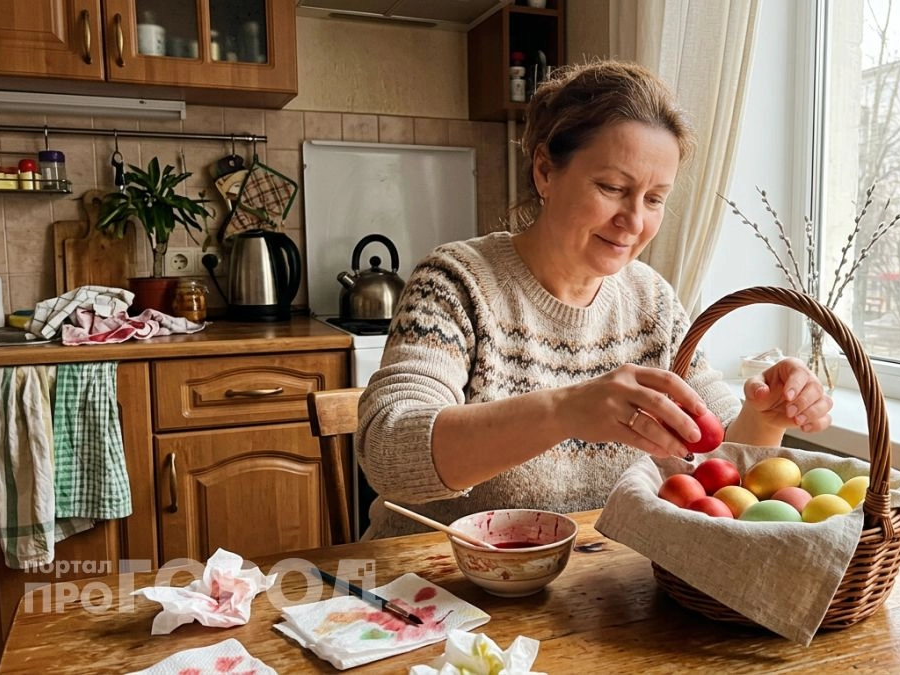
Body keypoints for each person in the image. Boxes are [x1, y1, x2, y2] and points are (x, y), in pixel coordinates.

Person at [356, 60, 833, 539]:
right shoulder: (456, 283)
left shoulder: (653, 303)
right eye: (612, 188)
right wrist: (567, 410)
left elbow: (720, 465)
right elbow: (390, 451)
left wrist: (764, 416)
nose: (633, 220)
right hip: (437, 584)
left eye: (654, 199)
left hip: (591, 586)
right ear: (545, 170)